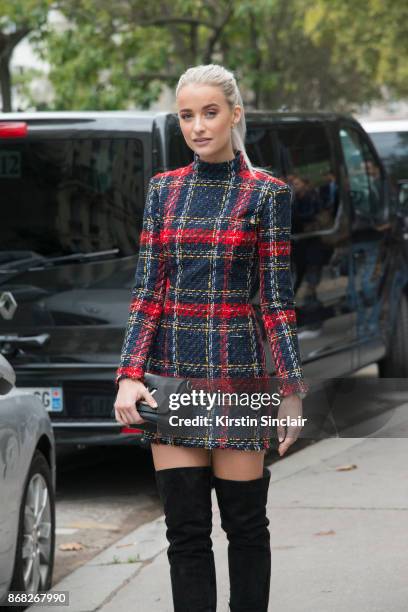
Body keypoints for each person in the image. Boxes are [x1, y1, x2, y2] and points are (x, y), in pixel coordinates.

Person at [113, 64, 308, 612]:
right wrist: (130, 375)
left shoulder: (266, 195)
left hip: (238, 374)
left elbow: (275, 299)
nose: (197, 126)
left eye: (209, 112)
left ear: (234, 115)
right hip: (171, 376)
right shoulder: (163, 191)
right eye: (186, 116)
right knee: (186, 534)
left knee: (246, 528)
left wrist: (291, 390)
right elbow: (147, 292)